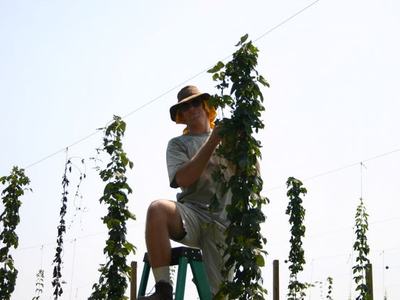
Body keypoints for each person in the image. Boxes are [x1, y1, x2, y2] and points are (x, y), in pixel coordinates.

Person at [139, 85, 233, 300]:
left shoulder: (230, 142)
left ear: (205, 106)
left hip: (224, 223)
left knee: (220, 295)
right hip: (192, 215)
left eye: (195, 103)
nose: (191, 108)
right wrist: (212, 142)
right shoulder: (178, 145)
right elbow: (183, 179)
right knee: (157, 209)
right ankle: (163, 289)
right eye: (185, 106)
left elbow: (251, 177)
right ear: (180, 115)